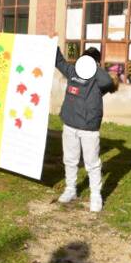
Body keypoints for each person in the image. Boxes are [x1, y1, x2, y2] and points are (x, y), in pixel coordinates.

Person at [55, 46, 116, 212]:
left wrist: (94, 68)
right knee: (70, 159)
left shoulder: (99, 78)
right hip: (69, 123)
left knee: (92, 163)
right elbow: (59, 62)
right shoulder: (73, 71)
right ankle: (70, 189)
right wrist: (54, 45)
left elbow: (108, 82)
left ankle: (96, 196)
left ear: (96, 63)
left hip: (89, 127)